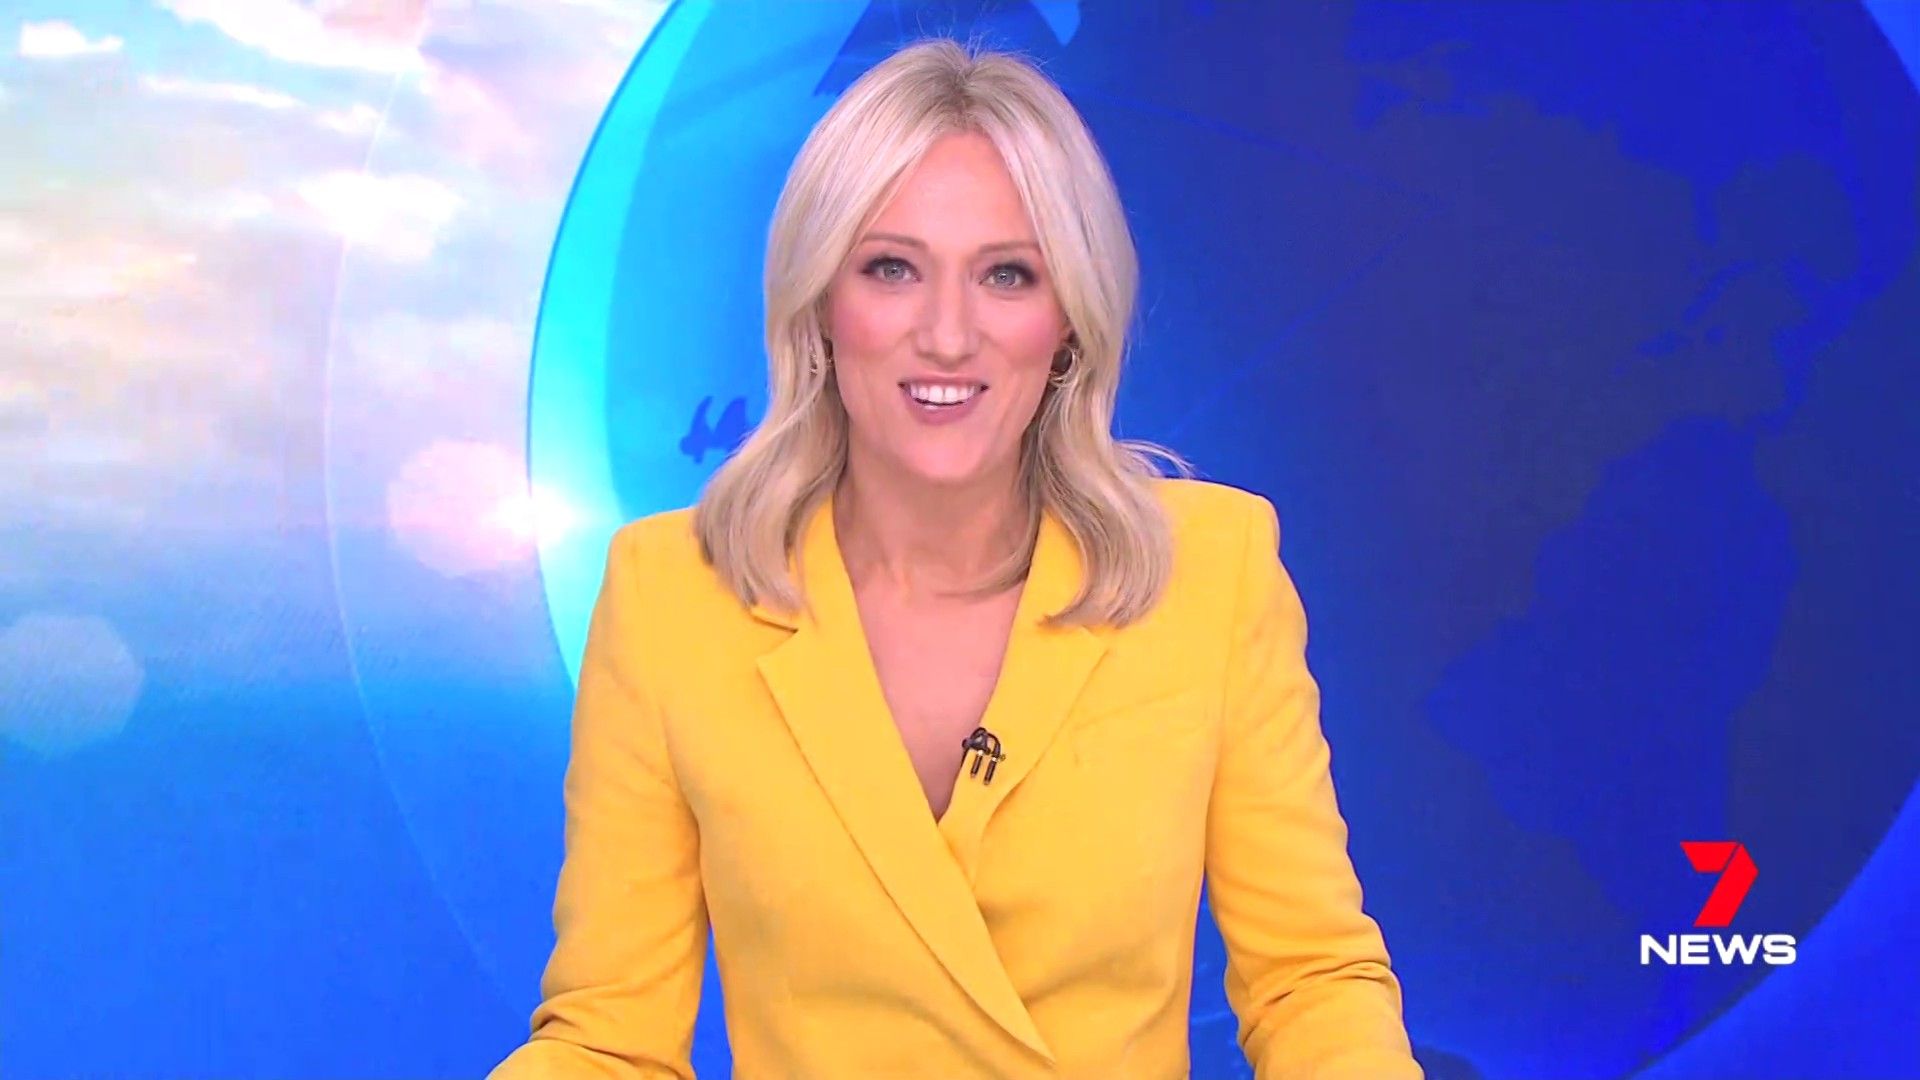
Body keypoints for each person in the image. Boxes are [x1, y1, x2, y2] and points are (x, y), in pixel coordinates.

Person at [490, 36, 1420, 1080]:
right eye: (891, 269)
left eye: (1006, 275)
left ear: (1068, 320)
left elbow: (1309, 983)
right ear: (819, 305)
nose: (946, 335)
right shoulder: (672, 596)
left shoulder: (1211, 571)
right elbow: (609, 1043)